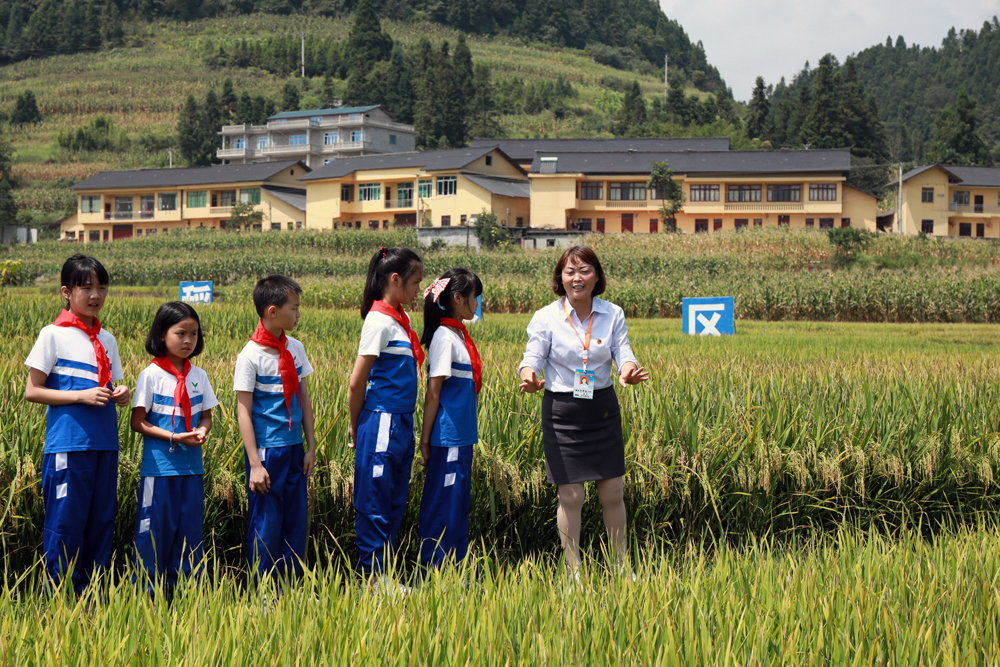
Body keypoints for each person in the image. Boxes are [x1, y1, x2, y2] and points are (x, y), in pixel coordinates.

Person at [517, 246, 649, 576]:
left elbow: (624, 351)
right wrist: (528, 376)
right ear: (560, 279)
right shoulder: (546, 317)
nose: (577, 278)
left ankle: (621, 567)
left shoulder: (612, 313)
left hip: (602, 409)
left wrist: (628, 371)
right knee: (571, 494)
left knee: (613, 491)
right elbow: (532, 356)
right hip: (562, 411)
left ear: (597, 277)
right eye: (570, 272)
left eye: (585, 270)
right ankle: (574, 572)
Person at [24, 254, 131, 594]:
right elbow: (32, 391)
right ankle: (57, 599)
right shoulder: (53, 335)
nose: (95, 295)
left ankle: (92, 598)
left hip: (105, 443)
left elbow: (109, 386)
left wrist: (121, 393)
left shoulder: (107, 340)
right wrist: (80, 396)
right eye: (86, 288)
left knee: (101, 522)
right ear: (66, 292)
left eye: (102, 287)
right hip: (69, 445)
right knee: (66, 523)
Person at [130, 302, 218, 596]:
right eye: (180, 333)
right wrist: (174, 437)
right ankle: (147, 598)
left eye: (194, 334)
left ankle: (188, 598)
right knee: (153, 533)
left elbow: (206, 415)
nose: (188, 341)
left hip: (192, 468)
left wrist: (202, 430)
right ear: (162, 335)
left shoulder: (199, 376)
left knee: (190, 535)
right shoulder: (151, 375)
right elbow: (137, 422)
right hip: (159, 469)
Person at [347, 246, 424, 584]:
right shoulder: (379, 322)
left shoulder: (399, 320)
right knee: (375, 501)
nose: (419, 289)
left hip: (401, 422)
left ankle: (387, 576)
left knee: (394, 501)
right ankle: (374, 579)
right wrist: (355, 426)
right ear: (395, 280)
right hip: (381, 420)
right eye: (416, 282)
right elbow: (356, 383)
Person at [234, 275, 316, 584]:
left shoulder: (295, 348)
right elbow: (244, 410)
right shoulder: (250, 356)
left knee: (296, 522)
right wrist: (255, 463)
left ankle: (290, 586)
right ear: (272, 311)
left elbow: (305, 400)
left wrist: (310, 447)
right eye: (293, 308)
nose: (298, 314)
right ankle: (264, 590)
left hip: (295, 449)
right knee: (266, 523)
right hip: (267, 452)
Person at [417, 269, 483, 568]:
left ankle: (456, 568)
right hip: (449, 437)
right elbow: (434, 393)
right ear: (457, 298)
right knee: (444, 504)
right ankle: (436, 571)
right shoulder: (445, 337)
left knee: (458, 504)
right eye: (475, 297)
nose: (477, 303)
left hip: (462, 436)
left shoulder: (457, 335)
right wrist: (426, 440)